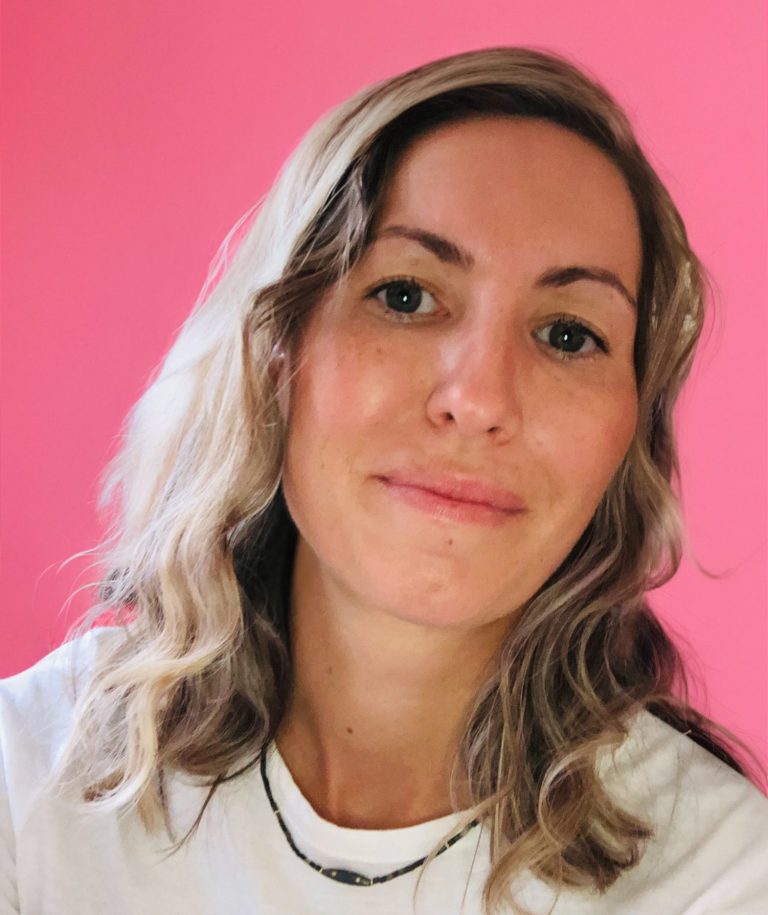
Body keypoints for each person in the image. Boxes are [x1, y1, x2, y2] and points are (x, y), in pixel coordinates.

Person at [1, 45, 766, 915]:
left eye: (567, 335)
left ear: (628, 436)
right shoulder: (28, 788)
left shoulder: (723, 877)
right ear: (275, 352)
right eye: (406, 295)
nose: (479, 399)